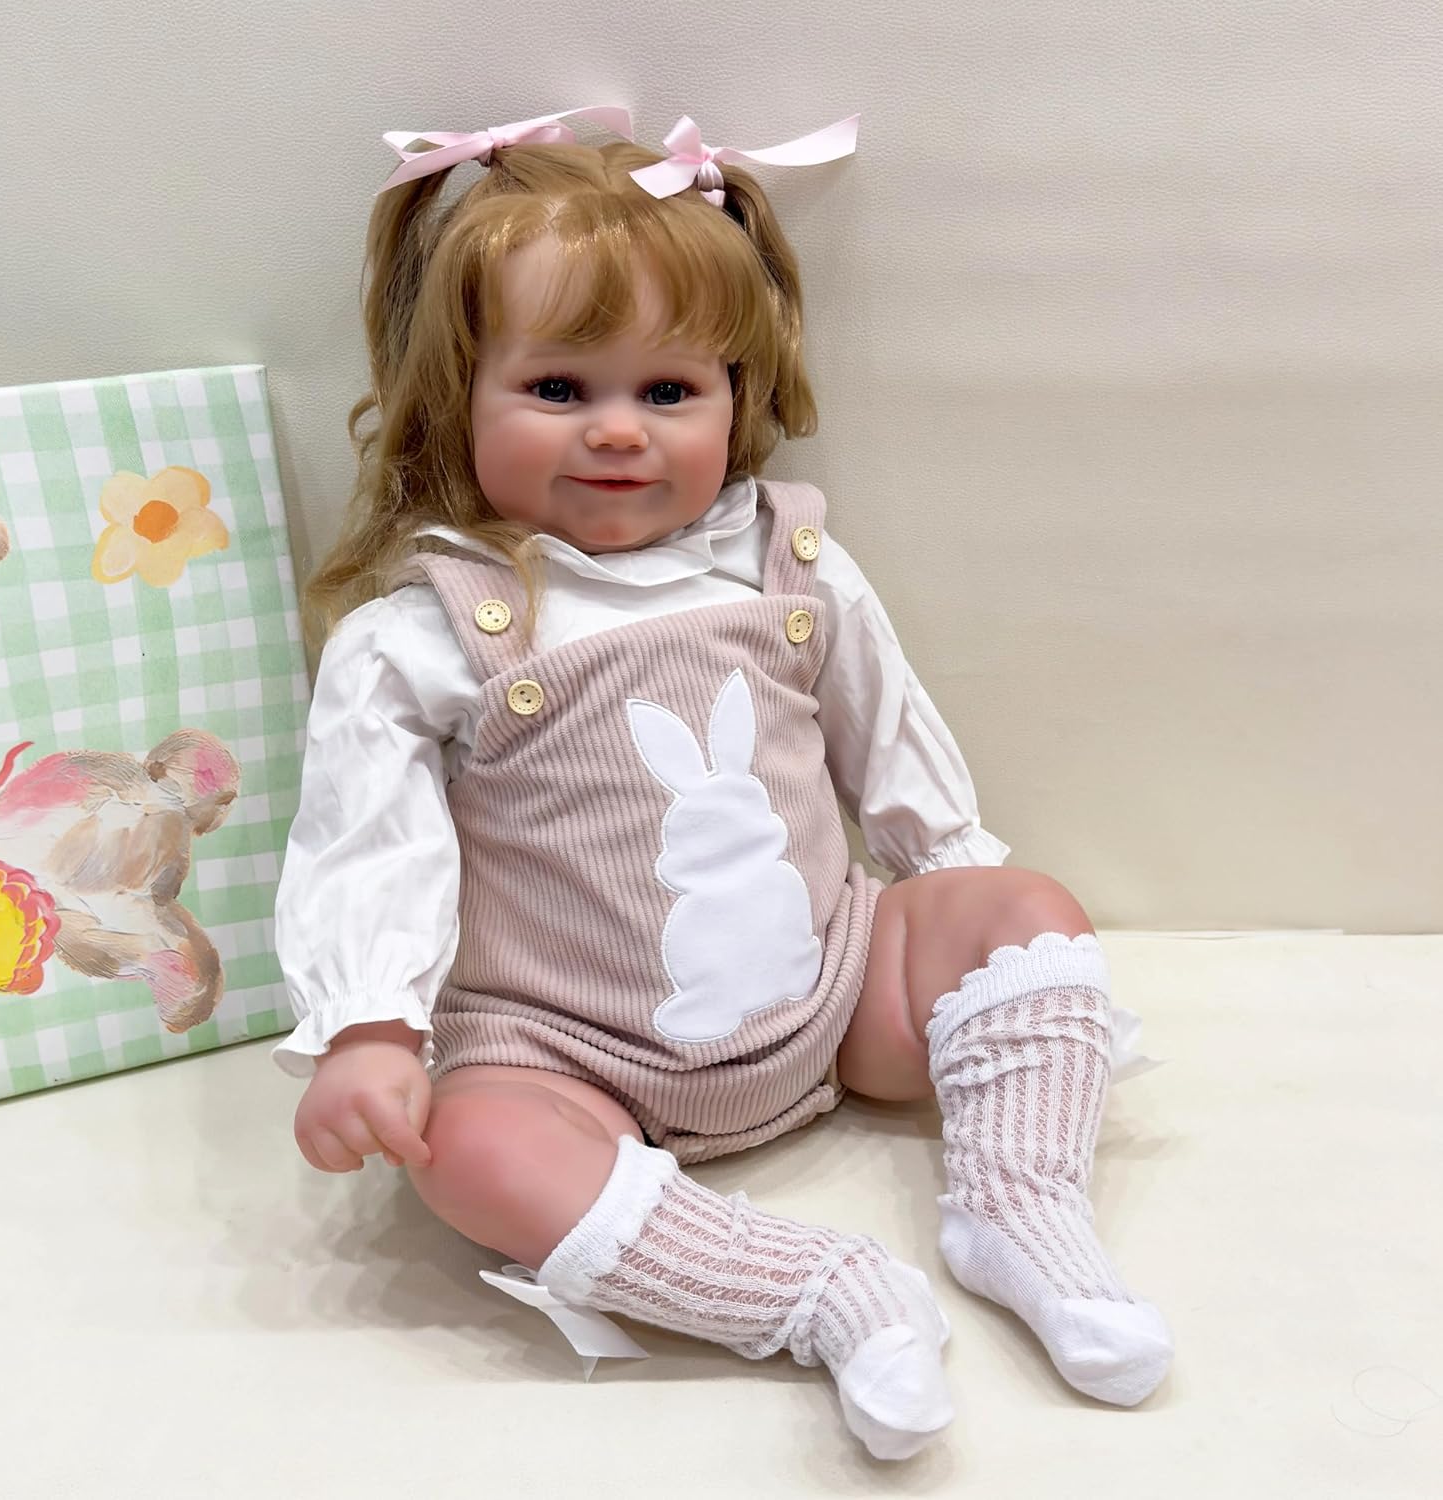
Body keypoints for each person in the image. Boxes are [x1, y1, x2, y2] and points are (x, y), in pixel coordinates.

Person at [272, 107, 1172, 1461]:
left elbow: (889, 736)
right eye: (559, 390)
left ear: (736, 395)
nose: (617, 433)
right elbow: (370, 841)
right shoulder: (425, 633)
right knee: (470, 1151)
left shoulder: (788, 566)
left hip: (834, 995)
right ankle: (818, 1294)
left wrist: (950, 881)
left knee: (1025, 907)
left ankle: (1020, 1205)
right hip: (567, 1051)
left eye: (668, 392)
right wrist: (371, 1031)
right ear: (459, 395)